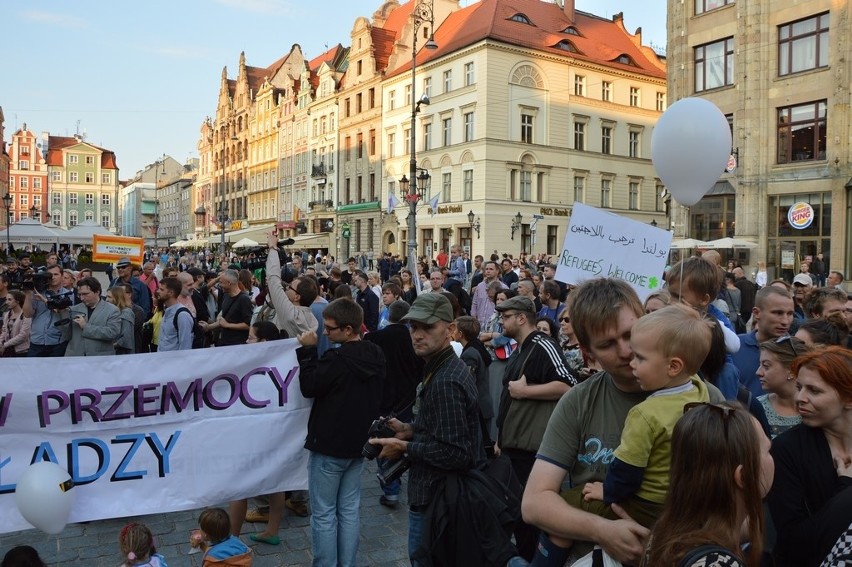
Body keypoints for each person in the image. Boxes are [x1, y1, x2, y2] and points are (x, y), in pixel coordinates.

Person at [368, 293, 484, 564]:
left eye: (427, 327)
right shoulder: (439, 368)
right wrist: (410, 428)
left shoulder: (447, 379)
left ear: (450, 330)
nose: (417, 335)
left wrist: (404, 447)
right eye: (413, 327)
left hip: (439, 500)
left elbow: (456, 453)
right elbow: (444, 428)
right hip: (435, 495)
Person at [296, 298, 385, 566]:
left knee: (324, 513)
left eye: (331, 328)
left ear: (349, 330)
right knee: (348, 511)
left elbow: (309, 386)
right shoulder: (376, 354)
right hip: (358, 444)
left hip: (329, 446)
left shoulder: (336, 359)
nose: (325, 332)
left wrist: (309, 352)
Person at [642, 402, 772, 567]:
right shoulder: (717, 563)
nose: (772, 457)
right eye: (768, 450)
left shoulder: (664, 533)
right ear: (744, 477)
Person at [768, 346, 852, 567]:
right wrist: (846, 488)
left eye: (814, 391)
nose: (800, 398)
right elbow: (794, 541)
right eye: (799, 387)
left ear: (849, 399)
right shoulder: (787, 450)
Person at [363, 299, 424, 509]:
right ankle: (393, 483)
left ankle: (390, 488)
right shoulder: (414, 340)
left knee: (382, 440)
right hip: (405, 400)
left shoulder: (374, 338)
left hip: (381, 398)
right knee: (398, 440)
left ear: (389, 316)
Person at [732, 286, 796, 398]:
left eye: (790, 314)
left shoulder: (797, 351)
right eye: (778, 313)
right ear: (757, 313)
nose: (785, 321)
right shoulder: (734, 347)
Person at [756, 335, 812, 438]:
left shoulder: (816, 409)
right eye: (760, 365)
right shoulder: (757, 407)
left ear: (792, 370)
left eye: (766, 366)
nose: (758, 372)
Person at [65, 277, 121, 357]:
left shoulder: (112, 310)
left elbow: (112, 333)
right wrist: (62, 314)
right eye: (79, 294)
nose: (82, 298)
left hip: (100, 359)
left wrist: (86, 327)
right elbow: (66, 335)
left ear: (97, 292)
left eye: (85, 294)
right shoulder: (74, 309)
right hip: (76, 357)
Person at [23, 264, 71, 357]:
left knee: (56, 371)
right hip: (37, 341)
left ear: (62, 276)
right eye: (49, 275)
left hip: (57, 342)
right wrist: (28, 294)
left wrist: (44, 300)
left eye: (56, 274)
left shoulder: (68, 294)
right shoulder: (38, 293)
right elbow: (27, 314)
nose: (52, 277)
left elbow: (64, 312)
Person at [199, 269, 253, 346]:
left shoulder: (244, 299)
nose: (219, 285)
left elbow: (248, 325)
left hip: (237, 345)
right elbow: (223, 320)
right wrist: (209, 327)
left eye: (221, 282)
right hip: (224, 342)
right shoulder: (226, 296)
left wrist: (228, 325)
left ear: (229, 283)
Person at [156, 277, 195, 352]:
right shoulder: (167, 310)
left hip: (174, 362)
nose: (158, 291)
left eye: (162, 290)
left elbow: (185, 346)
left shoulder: (182, 315)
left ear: (171, 293)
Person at [0, 290, 31, 357]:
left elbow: (23, 336)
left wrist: (5, 344)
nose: (7, 302)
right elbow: (4, 331)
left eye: (9, 300)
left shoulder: (26, 315)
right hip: (8, 351)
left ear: (17, 301)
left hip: (21, 351)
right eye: (6, 299)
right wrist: (0, 343)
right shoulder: (7, 314)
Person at [107, 285, 136, 355]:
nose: (106, 300)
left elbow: (125, 339)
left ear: (117, 298)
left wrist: (108, 347)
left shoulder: (126, 313)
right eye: (106, 296)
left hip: (123, 356)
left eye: (109, 297)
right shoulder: (113, 312)